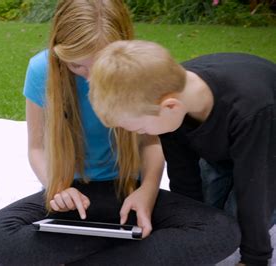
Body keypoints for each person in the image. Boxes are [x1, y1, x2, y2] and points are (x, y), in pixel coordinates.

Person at [0, 1, 240, 265]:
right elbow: (37, 147)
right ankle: (131, 247)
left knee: (221, 231)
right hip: (73, 196)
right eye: (77, 66)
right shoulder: (41, 70)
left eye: (99, 63)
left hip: (128, 191)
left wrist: (147, 193)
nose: (90, 77)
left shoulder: (137, 71)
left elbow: (151, 142)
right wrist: (57, 188)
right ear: (59, 51)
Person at [88, 40, 276, 265]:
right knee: (214, 225)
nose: (141, 134)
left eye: (140, 129)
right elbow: (183, 176)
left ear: (170, 107)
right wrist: (187, 228)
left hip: (265, 148)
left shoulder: (250, 111)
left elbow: (255, 189)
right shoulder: (165, 98)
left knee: (239, 225)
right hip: (223, 149)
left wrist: (254, 259)